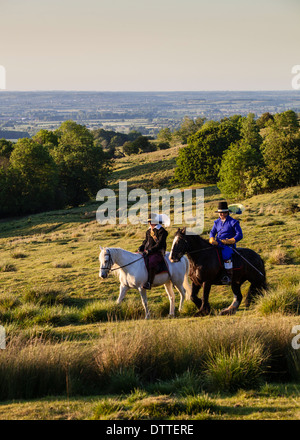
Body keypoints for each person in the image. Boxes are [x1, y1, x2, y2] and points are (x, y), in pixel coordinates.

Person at [209, 201, 243, 284]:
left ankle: (228, 275)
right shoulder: (216, 222)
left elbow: (239, 235)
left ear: (227, 212)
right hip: (217, 243)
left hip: (228, 246)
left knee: (226, 255)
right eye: (219, 213)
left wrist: (230, 241)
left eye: (222, 213)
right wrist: (212, 239)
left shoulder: (233, 222)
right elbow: (212, 232)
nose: (220, 214)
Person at [138, 213, 169, 290]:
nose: (150, 223)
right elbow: (146, 241)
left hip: (158, 252)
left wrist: (150, 250)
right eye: (149, 222)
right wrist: (141, 247)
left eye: (151, 221)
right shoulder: (148, 231)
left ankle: (149, 282)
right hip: (147, 251)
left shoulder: (162, 231)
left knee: (152, 262)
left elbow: (160, 244)